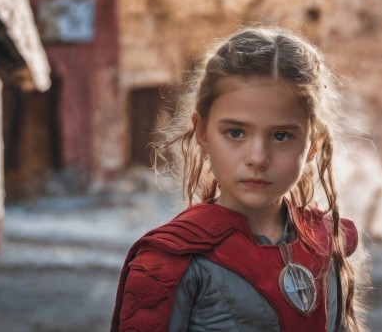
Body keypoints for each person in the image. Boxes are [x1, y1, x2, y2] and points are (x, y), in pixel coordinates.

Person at [111, 26, 367, 332]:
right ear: (203, 132)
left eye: (281, 135)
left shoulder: (326, 242)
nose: (258, 158)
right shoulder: (170, 260)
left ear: (312, 144)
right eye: (235, 133)